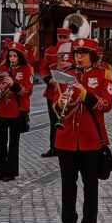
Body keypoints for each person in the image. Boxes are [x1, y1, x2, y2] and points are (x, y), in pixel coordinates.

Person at [54, 36, 112, 223]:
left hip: (91, 139)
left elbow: (106, 104)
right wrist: (61, 103)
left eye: (84, 54)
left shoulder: (103, 74)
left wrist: (84, 94)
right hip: (67, 139)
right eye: (77, 54)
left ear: (92, 56)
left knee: (90, 185)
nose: (79, 57)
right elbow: (56, 105)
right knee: (67, 185)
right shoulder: (65, 75)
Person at [0, 42, 33, 181]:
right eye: (10, 56)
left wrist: (13, 84)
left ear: (20, 57)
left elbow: (28, 91)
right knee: (1, 141)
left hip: (17, 110)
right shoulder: (2, 68)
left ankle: (11, 172)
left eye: (15, 56)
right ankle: (1, 170)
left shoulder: (27, 69)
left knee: (14, 142)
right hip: (2, 110)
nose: (12, 59)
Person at [37, 27, 72, 157]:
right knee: (53, 121)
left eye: (65, 37)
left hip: (69, 91)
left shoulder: (75, 52)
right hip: (53, 91)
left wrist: (71, 64)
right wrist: (49, 79)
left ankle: (67, 146)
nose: (62, 40)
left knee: (68, 119)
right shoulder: (50, 51)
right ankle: (54, 147)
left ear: (69, 38)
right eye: (60, 37)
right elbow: (42, 69)